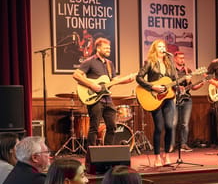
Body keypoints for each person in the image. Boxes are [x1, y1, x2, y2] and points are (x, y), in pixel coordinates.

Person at [72, 37, 134, 146]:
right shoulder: (90, 61)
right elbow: (76, 75)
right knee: (94, 127)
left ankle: (107, 153)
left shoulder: (110, 64)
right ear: (98, 48)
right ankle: (91, 156)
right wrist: (92, 84)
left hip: (107, 99)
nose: (108, 50)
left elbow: (114, 81)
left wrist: (127, 80)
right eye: (106, 48)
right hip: (94, 99)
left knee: (112, 126)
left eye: (109, 48)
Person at [136, 39, 177, 167]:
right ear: (154, 49)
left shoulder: (170, 62)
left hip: (168, 98)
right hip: (155, 98)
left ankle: (167, 155)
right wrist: (152, 87)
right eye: (159, 46)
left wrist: (185, 79)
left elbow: (174, 80)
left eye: (163, 46)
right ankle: (157, 156)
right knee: (159, 127)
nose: (162, 48)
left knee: (170, 126)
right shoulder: (150, 63)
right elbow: (139, 77)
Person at [169, 51, 205, 153]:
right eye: (180, 58)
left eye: (183, 58)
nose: (182, 60)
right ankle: (171, 145)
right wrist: (177, 87)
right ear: (175, 59)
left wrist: (199, 83)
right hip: (174, 98)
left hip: (187, 99)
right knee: (173, 123)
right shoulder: (171, 71)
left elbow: (191, 87)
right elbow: (168, 85)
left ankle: (184, 144)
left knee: (185, 123)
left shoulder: (187, 70)